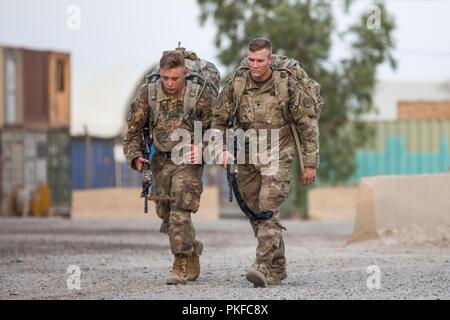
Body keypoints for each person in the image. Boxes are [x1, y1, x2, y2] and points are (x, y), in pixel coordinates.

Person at [212, 37, 322, 287]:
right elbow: (218, 120)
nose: (254, 65)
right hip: (247, 156)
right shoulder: (237, 84)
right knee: (255, 213)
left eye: (260, 60)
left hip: (279, 154)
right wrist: (220, 150)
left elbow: (307, 127)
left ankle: (261, 265)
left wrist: (310, 163)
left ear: (269, 60)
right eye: (251, 60)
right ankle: (278, 266)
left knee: (267, 206)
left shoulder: (287, 85)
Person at [123, 50, 217, 285]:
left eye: (175, 78)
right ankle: (192, 249)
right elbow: (133, 131)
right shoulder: (149, 93)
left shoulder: (200, 94)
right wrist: (135, 156)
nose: (170, 83)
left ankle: (180, 263)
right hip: (161, 160)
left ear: (185, 73)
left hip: (189, 158)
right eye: (165, 78)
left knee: (180, 212)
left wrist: (203, 147)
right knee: (166, 214)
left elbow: (218, 127)